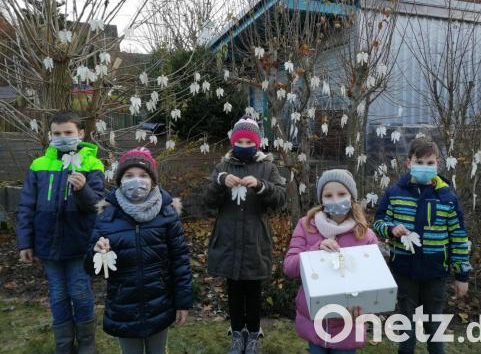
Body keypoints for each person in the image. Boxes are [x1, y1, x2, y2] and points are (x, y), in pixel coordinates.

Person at [84, 147, 192, 354]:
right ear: (120, 180)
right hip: (124, 307)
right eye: (129, 175)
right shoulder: (107, 217)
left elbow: (180, 262)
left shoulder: (167, 215)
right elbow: (91, 269)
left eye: (143, 175)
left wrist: (183, 302)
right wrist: (97, 252)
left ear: (153, 181)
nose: (137, 181)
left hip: (159, 304)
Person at [16, 111, 104, 353]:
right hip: (48, 244)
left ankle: (87, 342)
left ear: (81, 134)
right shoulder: (39, 165)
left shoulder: (91, 164)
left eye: (68, 133)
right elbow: (26, 206)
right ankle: (64, 342)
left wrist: (83, 188)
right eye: (57, 134)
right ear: (50, 135)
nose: (62, 137)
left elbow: (97, 205)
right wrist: (25, 242)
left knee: (80, 291)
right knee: (57, 293)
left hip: (79, 243)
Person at [373, 137, 471, 354]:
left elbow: (458, 236)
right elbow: (378, 223)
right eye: (420, 162)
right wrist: (391, 229)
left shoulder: (447, 198)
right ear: (409, 163)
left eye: (430, 163)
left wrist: (461, 275)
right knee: (406, 323)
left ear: (438, 164)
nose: (425, 167)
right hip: (404, 270)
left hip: (435, 273)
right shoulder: (394, 193)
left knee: (433, 324)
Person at [203, 116, 286, 354]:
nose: (246, 146)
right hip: (228, 240)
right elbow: (207, 201)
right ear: (233, 142)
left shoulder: (268, 167)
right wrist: (220, 182)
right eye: (241, 141)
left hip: (255, 241)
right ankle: (237, 334)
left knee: (253, 291)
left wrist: (261, 186)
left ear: (257, 143)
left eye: (250, 142)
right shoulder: (222, 167)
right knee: (234, 290)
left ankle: (254, 335)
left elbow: (280, 199)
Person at [283, 169, 378, 354]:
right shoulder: (306, 226)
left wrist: (364, 306)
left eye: (342, 194)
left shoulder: (365, 236)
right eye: (328, 195)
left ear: (351, 197)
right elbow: (289, 267)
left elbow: (374, 281)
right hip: (314, 319)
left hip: (348, 323)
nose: (335, 199)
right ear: (321, 200)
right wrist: (316, 250)